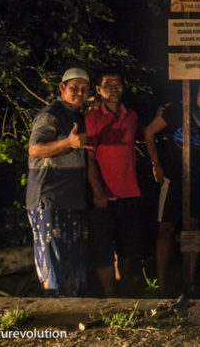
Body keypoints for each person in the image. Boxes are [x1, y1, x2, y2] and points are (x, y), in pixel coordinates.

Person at [144, 83, 200, 294]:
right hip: (172, 180)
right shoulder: (176, 112)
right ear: (195, 96)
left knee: (193, 230)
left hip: (199, 184)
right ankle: (162, 285)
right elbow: (148, 132)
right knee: (165, 228)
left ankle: (189, 282)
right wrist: (156, 164)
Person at [26, 67, 92, 296]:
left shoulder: (77, 116)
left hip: (71, 197)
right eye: (74, 87)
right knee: (51, 258)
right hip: (48, 197)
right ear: (62, 87)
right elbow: (34, 149)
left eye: (84, 89)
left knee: (72, 257)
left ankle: (73, 310)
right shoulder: (50, 114)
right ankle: (55, 313)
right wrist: (67, 143)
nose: (79, 93)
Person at [84, 68, 144, 297]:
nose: (113, 88)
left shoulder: (131, 116)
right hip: (103, 195)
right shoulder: (93, 118)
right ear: (98, 90)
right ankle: (109, 296)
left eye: (117, 83)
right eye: (107, 84)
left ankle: (126, 290)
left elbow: (142, 135)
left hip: (130, 191)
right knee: (102, 247)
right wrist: (97, 191)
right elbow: (89, 157)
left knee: (129, 246)